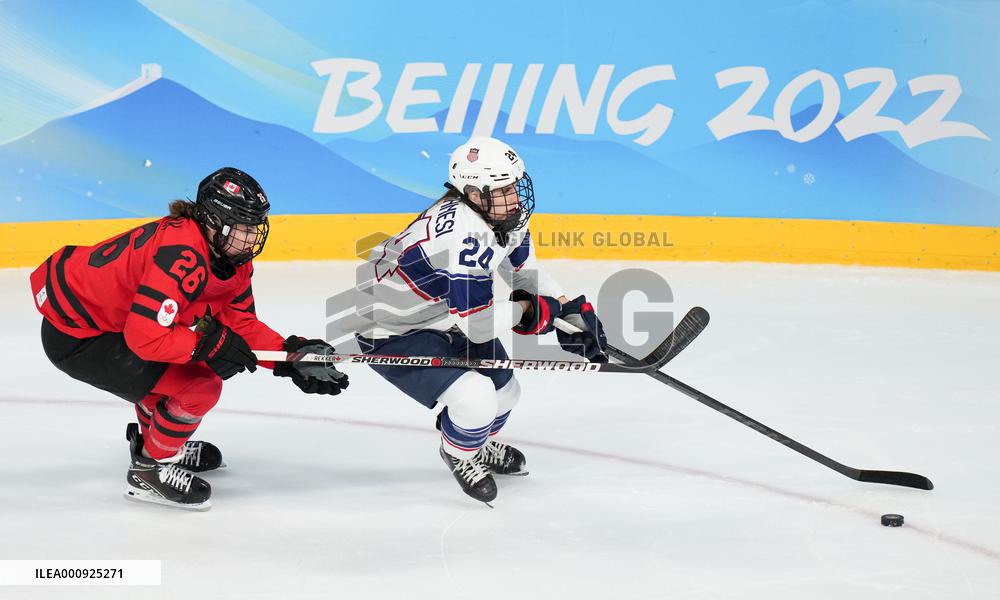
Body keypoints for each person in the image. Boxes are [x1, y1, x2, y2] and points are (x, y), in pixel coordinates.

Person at [29, 167, 349, 511]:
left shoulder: (228, 256)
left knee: (191, 369)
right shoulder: (182, 255)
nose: (251, 236)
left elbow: (238, 320)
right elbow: (145, 338)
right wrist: (208, 344)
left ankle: (160, 442)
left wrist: (289, 355)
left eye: (254, 226)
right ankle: (149, 469)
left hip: (113, 325)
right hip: (79, 337)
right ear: (212, 221)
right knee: (200, 386)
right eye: (242, 226)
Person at [355, 137, 607, 504]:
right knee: (475, 397)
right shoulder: (465, 237)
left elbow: (523, 273)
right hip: (392, 331)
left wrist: (569, 311)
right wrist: (535, 312)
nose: (514, 197)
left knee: (507, 391)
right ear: (474, 195)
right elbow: (478, 325)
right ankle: (459, 453)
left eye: (515, 186)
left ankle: (473, 441)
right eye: (503, 190)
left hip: (446, 315)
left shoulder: (499, 214)